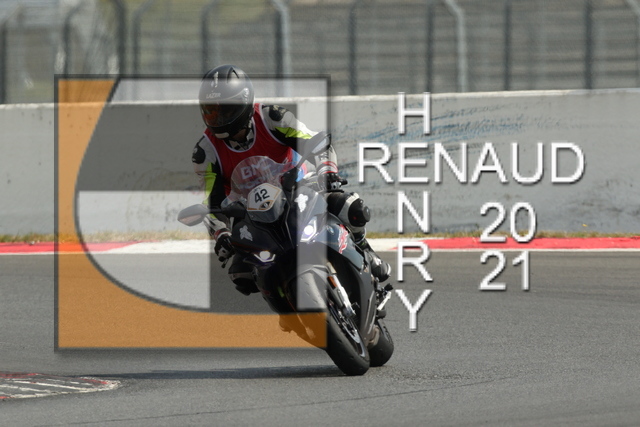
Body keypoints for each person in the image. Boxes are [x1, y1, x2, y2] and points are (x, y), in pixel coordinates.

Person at [192, 64, 390, 296]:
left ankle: (364, 248)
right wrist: (222, 234)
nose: (218, 118)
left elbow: (315, 143)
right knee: (241, 274)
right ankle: (286, 303)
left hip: (297, 190)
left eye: (225, 110)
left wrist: (328, 172)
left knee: (350, 207)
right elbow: (211, 201)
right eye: (211, 111)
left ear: (243, 103)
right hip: (251, 214)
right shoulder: (205, 153)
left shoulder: (272, 117)